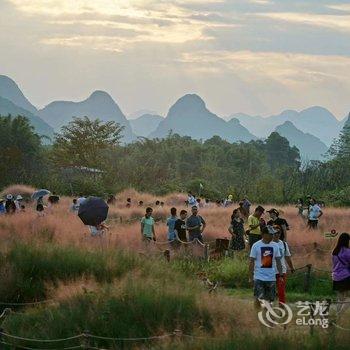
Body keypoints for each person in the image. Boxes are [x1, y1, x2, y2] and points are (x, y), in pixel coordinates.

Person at [249, 226, 283, 308]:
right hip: (259, 277)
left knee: (270, 300)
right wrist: (250, 277)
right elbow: (251, 262)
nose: (272, 236)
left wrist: (281, 275)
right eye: (270, 234)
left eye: (273, 234)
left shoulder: (275, 246)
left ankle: (267, 316)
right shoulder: (256, 245)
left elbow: (278, 261)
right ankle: (257, 313)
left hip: (271, 277)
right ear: (263, 234)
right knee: (259, 298)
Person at [272, 225, 295, 305]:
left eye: (278, 232)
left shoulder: (284, 244)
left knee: (281, 291)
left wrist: (292, 267)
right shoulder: (268, 244)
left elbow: (287, 257)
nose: (276, 234)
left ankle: (282, 307)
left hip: (281, 271)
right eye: (275, 232)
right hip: (270, 271)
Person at [332, 233, 350, 315]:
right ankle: (340, 314)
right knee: (348, 298)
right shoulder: (347, 251)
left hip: (335, 276)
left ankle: (337, 315)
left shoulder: (335, 251)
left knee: (340, 299)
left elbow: (334, 264)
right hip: (345, 276)